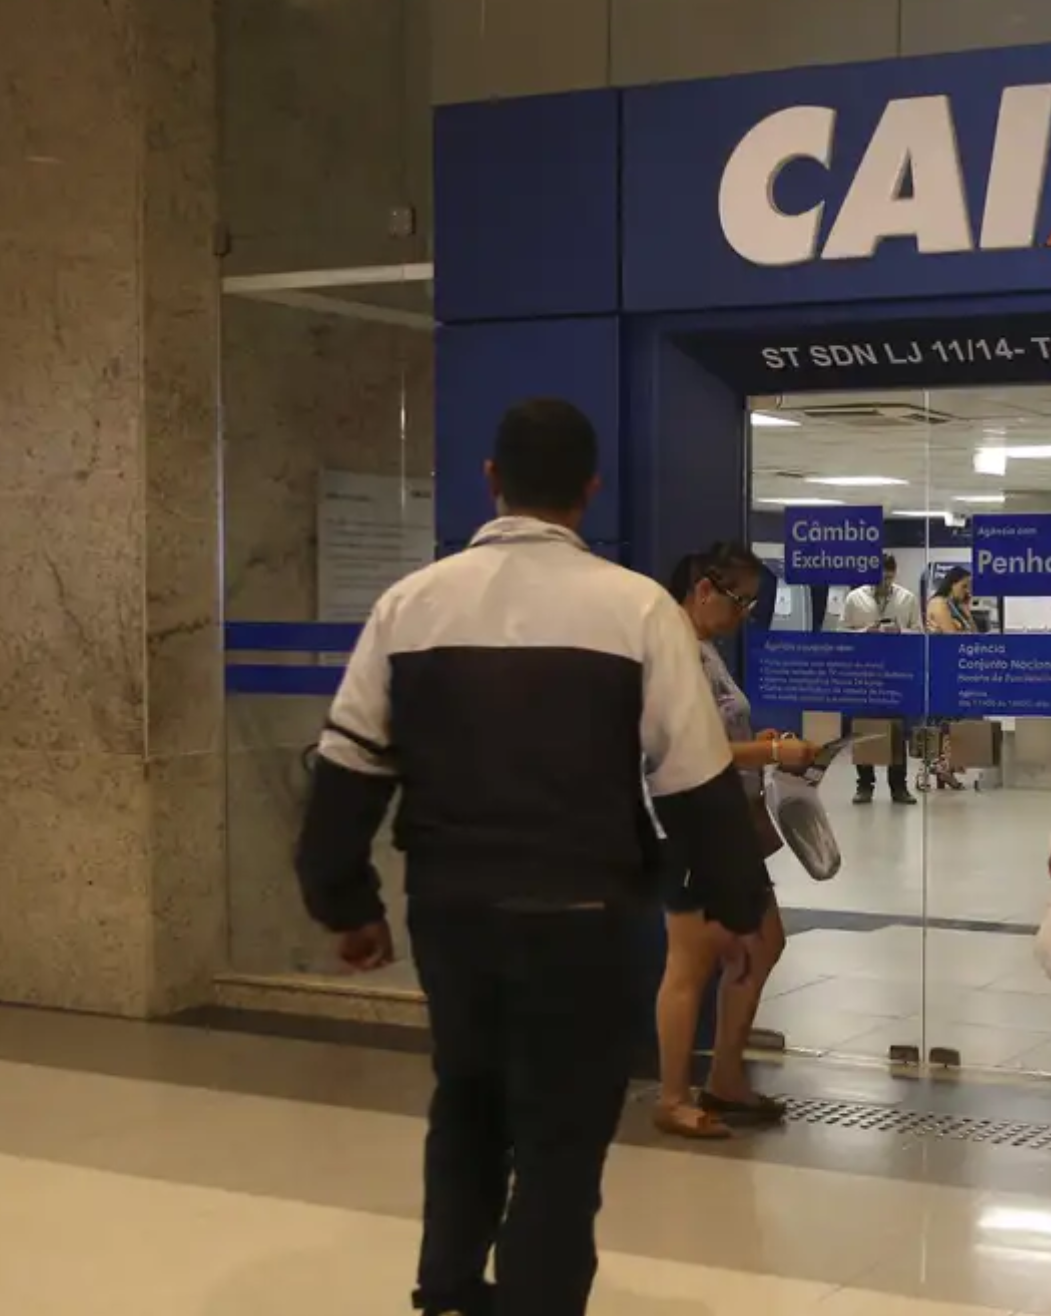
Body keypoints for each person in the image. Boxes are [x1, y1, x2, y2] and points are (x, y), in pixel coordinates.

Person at [295, 397, 769, 1316]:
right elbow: (697, 782)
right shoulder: (637, 609)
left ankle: (447, 1289)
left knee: (466, 1099)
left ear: (491, 480)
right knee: (562, 1134)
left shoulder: (410, 605)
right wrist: (738, 910)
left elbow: (348, 766)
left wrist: (346, 905)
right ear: (589, 489)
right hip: (585, 918)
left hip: (452, 910)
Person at [652, 542, 812, 1139]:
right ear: (704, 589)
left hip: (725, 819)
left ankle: (724, 1079)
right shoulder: (669, 651)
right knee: (690, 961)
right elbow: (688, 746)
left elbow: (718, 730)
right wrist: (771, 753)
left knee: (762, 941)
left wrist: (758, 742)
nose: (745, 615)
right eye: (740, 601)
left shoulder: (703, 648)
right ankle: (673, 1097)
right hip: (690, 818)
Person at [842, 553, 919, 805]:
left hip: (896, 672)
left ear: (894, 574)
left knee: (897, 729)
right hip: (864, 672)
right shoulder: (855, 598)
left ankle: (899, 787)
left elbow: (919, 633)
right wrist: (867, 631)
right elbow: (841, 634)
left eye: (888, 577)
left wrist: (900, 632)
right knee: (863, 729)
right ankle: (864, 785)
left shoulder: (907, 598)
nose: (883, 582)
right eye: (879, 577)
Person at [923, 566, 976, 789]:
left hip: (957, 668)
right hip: (941, 668)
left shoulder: (956, 606)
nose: (966, 591)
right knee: (943, 721)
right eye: (963, 586)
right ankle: (937, 767)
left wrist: (966, 610)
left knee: (954, 721)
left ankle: (946, 768)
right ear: (951, 583)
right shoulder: (938, 603)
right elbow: (952, 637)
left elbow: (973, 635)